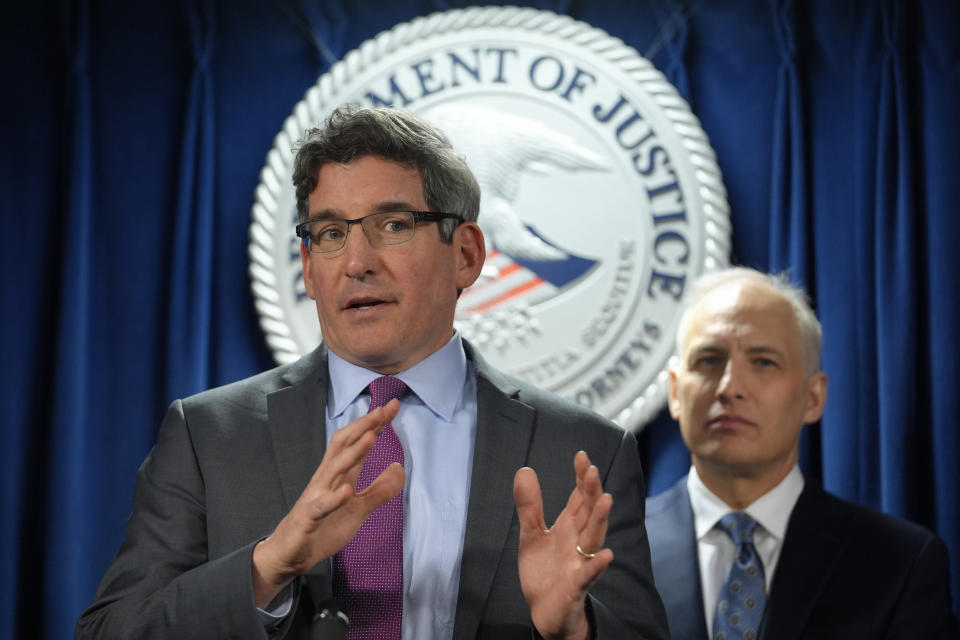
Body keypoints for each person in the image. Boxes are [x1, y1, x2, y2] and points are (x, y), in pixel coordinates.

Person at [76, 105, 669, 640]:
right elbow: (110, 632)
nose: (357, 263)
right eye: (331, 234)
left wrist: (574, 632)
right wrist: (268, 566)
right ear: (308, 269)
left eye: (393, 225)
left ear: (465, 254)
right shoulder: (209, 437)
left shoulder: (585, 452)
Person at [645, 267, 958, 640]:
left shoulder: (901, 564)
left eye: (763, 362)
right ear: (675, 393)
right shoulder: (610, 550)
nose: (730, 388)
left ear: (814, 397)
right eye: (709, 360)